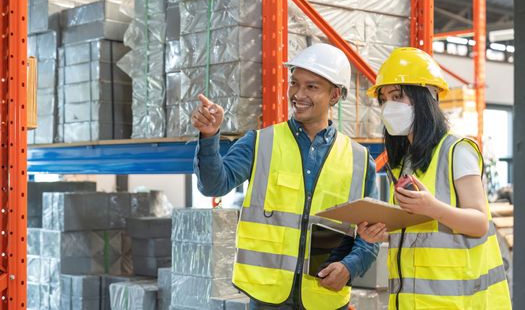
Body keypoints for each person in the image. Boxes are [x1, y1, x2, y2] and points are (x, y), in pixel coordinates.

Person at [192, 43, 379, 309]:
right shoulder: (260, 142)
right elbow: (214, 184)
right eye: (294, 84)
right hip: (267, 297)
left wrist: (349, 267)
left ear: (335, 95)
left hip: (324, 298)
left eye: (311, 86)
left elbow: (370, 233)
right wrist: (210, 138)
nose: (298, 94)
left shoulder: (359, 160)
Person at [357, 47, 512, 309]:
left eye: (397, 96)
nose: (388, 107)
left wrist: (432, 208)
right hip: (410, 302)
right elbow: (420, 232)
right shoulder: (404, 162)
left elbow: (479, 223)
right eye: (383, 99)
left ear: (426, 98)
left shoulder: (457, 150)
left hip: (456, 303)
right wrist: (381, 233)